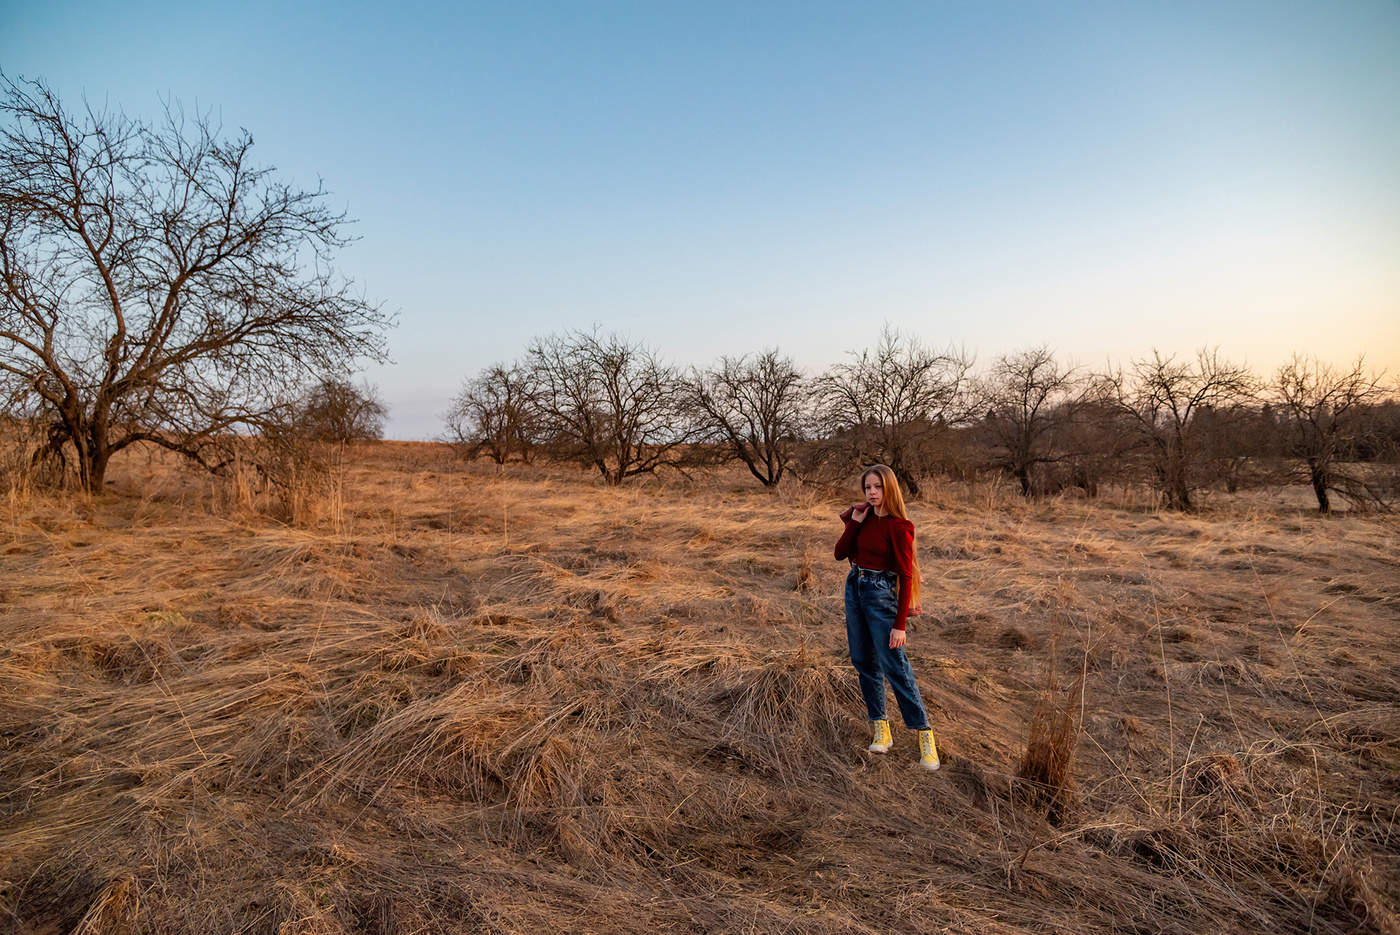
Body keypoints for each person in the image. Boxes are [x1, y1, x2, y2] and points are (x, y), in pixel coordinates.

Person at [833, 464, 939, 770]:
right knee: (863, 660)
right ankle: (881, 726)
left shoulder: (898, 526)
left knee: (895, 665)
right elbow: (840, 554)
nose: (872, 493)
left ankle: (924, 733)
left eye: (877, 487)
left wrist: (899, 625)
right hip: (855, 587)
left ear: (889, 488)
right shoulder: (861, 518)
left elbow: (906, 577)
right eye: (867, 487)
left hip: (881, 594)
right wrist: (854, 522)